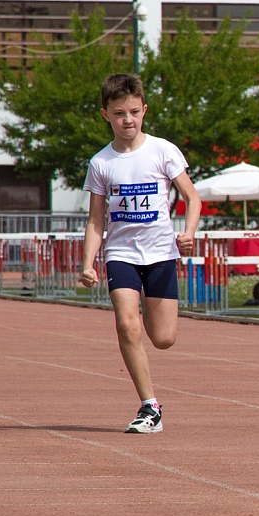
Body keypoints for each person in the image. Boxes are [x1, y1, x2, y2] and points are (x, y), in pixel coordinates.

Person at [80, 73, 202, 434]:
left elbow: (193, 198)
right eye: (119, 114)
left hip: (161, 252)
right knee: (126, 323)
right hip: (121, 253)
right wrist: (88, 263)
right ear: (106, 115)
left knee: (163, 338)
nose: (127, 120)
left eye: (133, 112)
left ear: (144, 110)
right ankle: (150, 406)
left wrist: (188, 233)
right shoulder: (101, 163)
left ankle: (147, 304)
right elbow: (96, 219)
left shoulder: (163, 151)